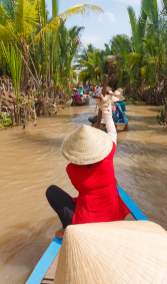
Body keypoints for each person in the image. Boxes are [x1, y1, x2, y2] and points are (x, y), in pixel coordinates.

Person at [46, 95, 131, 239]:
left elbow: (80, 171)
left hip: (86, 223)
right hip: (112, 216)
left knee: (51, 191)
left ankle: (68, 227)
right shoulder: (108, 155)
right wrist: (105, 109)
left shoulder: (71, 170)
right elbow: (112, 132)